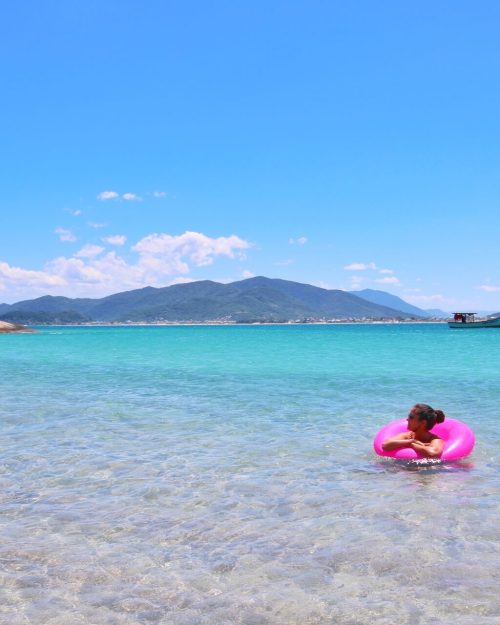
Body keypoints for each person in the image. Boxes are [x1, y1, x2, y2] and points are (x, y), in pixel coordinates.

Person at [382, 403, 446, 458]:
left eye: (411, 417)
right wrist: (411, 441)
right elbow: (385, 445)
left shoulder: (436, 440)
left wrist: (412, 445)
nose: (407, 419)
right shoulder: (408, 436)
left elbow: (433, 453)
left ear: (423, 423)